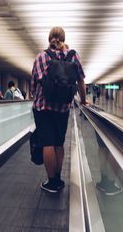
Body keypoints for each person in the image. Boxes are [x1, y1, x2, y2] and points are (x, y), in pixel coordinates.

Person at [31, 26, 88, 193]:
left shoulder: (42, 56)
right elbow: (81, 81)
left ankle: (52, 182)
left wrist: (35, 96)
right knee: (58, 143)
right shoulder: (73, 56)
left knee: (47, 143)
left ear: (49, 39)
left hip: (43, 107)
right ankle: (58, 177)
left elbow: (34, 82)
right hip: (63, 108)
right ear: (64, 38)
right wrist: (83, 101)